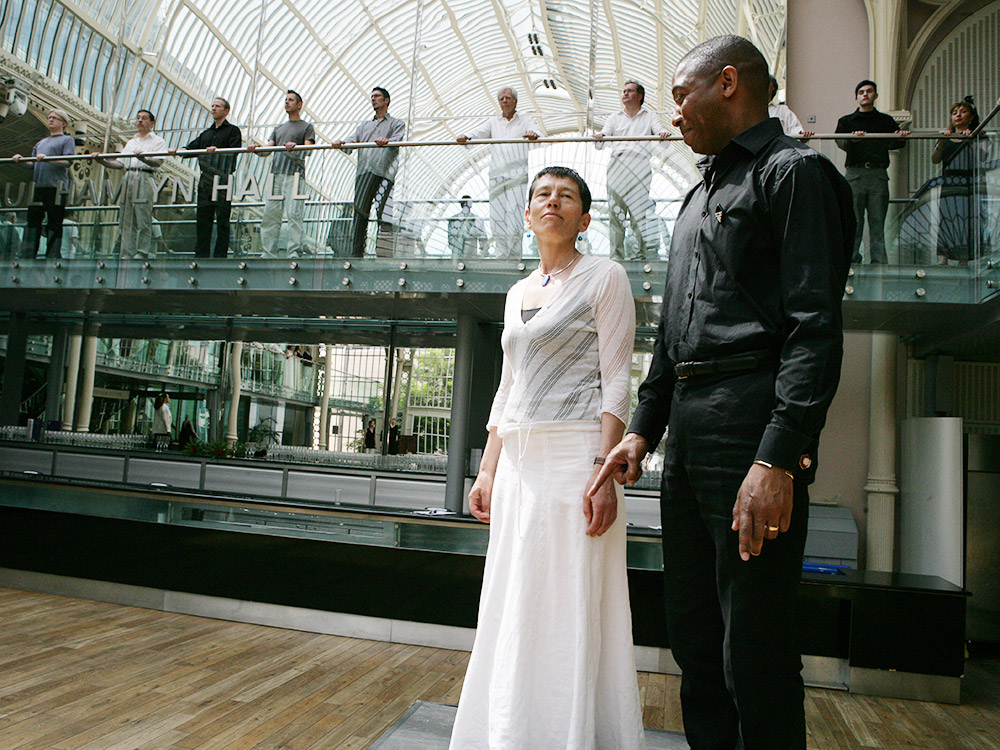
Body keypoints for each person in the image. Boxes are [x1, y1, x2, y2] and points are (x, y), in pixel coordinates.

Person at [591, 35, 854, 750]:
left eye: (681, 95)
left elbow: (814, 329)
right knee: (696, 643)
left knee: (755, 652)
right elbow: (676, 331)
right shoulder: (700, 194)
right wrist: (644, 426)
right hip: (690, 435)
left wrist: (777, 458)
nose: (674, 113)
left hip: (753, 427)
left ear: (728, 83)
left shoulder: (794, 173)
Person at [450, 166, 644, 749]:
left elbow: (617, 382)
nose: (551, 202)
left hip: (576, 459)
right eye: (541, 195)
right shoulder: (517, 292)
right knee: (514, 599)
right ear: (528, 214)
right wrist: (486, 469)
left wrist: (603, 472)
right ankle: (512, 731)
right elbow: (508, 389)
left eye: (566, 196)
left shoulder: (605, 277)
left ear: (584, 218)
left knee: (571, 603)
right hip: (518, 466)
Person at [457, 87, 540, 258]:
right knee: (496, 215)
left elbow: (537, 131)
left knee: (514, 213)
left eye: (508, 98)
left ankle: (515, 253)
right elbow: (478, 133)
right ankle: (502, 252)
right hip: (497, 174)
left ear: (515, 101)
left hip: (517, 175)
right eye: (501, 98)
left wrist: (533, 134)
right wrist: (466, 137)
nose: (504, 101)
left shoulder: (525, 120)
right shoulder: (493, 122)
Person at [835, 79, 909, 264]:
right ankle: (851, 259)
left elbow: (896, 143)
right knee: (854, 221)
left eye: (869, 91)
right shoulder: (846, 121)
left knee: (877, 221)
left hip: (877, 174)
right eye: (861, 92)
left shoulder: (885, 121)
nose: (865, 94)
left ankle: (878, 261)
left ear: (875, 95)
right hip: (855, 173)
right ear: (856, 97)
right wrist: (853, 140)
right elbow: (840, 142)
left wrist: (901, 136)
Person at [595, 81, 670, 260]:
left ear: (639, 96)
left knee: (638, 213)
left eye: (630, 91)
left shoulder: (649, 116)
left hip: (639, 164)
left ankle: (639, 254)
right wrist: (599, 137)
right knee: (616, 213)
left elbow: (663, 137)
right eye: (624, 91)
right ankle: (616, 256)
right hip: (618, 163)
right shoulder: (614, 117)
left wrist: (663, 134)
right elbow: (600, 143)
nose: (625, 94)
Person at [332, 87, 405, 257]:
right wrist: (342, 142)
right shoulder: (364, 126)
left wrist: (387, 140)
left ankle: (385, 254)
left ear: (386, 100)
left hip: (384, 174)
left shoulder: (396, 123)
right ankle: (356, 252)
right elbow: (351, 141)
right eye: (372, 97)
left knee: (383, 213)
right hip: (364, 173)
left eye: (377, 96)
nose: (373, 99)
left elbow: (397, 140)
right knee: (360, 212)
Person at [169, 97, 242, 258]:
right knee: (203, 217)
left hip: (223, 178)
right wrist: (179, 150)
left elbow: (234, 151)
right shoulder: (206, 134)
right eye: (213, 106)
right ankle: (201, 253)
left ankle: (219, 255)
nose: (213, 108)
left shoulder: (233, 131)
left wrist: (217, 150)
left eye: (217, 106)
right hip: (206, 179)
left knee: (223, 218)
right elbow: (191, 148)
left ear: (226, 111)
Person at [248, 91, 315, 257]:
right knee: (270, 214)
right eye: (286, 100)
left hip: (295, 175)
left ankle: (294, 251)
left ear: (299, 104)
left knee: (294, 214)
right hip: (276, 174)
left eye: (291, 100)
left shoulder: (306, 127)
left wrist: (296, 148)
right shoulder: (278, 129)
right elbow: (267, 150)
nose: (287, 102)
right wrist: (255, 149)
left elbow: (309, 150)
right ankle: (268, 251)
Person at [96, 110, 167, 258]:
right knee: (126, 215)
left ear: (151, 123)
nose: (140, 121)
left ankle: (142, 251)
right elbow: (120, 163)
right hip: (129, 175)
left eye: (144, 118)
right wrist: (103, 161)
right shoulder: (131, 142)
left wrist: (144, 159)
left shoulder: (158, 141)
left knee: (143, 215)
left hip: (145, 175)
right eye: (138, 118)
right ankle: (128, 250)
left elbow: (158, 161)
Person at [11, 109, 76, 259]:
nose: (51, 119)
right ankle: (28, 252)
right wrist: (21, 160)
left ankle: (53, 254)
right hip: (39, 186)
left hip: (56, 187)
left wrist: (48, 159)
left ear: (63, 123)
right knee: (33, 220)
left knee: (54, 221)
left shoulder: (67, 140)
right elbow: (34, 164)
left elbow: (68, 161)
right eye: (49, 117)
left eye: (55, 118)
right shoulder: (41, 143)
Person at [930, 96, 980, 265]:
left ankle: (963, 258)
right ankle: (943, 257)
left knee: (966, 218)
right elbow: (935, 159)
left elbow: (984, 156)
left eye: (962, 112)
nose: (957, 115)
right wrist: (942, 142)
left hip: (968, 182)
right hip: (950, 181)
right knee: (947, 217)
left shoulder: (976, 136)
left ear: (971, 117)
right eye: (954, 113)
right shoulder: (948, 136)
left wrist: (971, 138)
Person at [767, 74, 814, 139]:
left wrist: (802, 136)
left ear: (773, 87)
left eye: (767, 82)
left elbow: (796, 130)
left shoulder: (782, 110)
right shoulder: (751, 111)